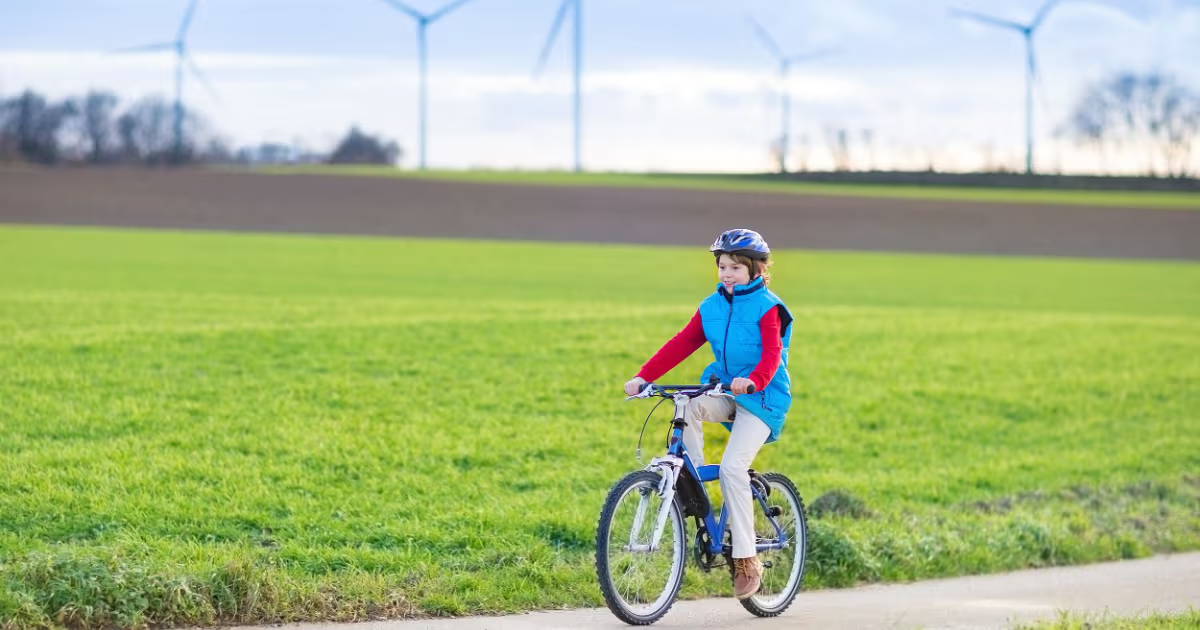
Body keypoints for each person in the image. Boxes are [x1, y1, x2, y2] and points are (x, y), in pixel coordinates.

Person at [623, 228, 794, 600]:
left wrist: (753, 381)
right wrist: (644, 377)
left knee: (733, 468)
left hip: (763, 398)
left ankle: (747, 559)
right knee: (688, 403)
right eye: (722, 266)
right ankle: (694, 482)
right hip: (725, 391)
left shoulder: (769, 307)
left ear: (756, 270)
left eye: (735, 267)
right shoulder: (711, 307)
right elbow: (682, 343)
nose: (727, 273)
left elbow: (772, 355)